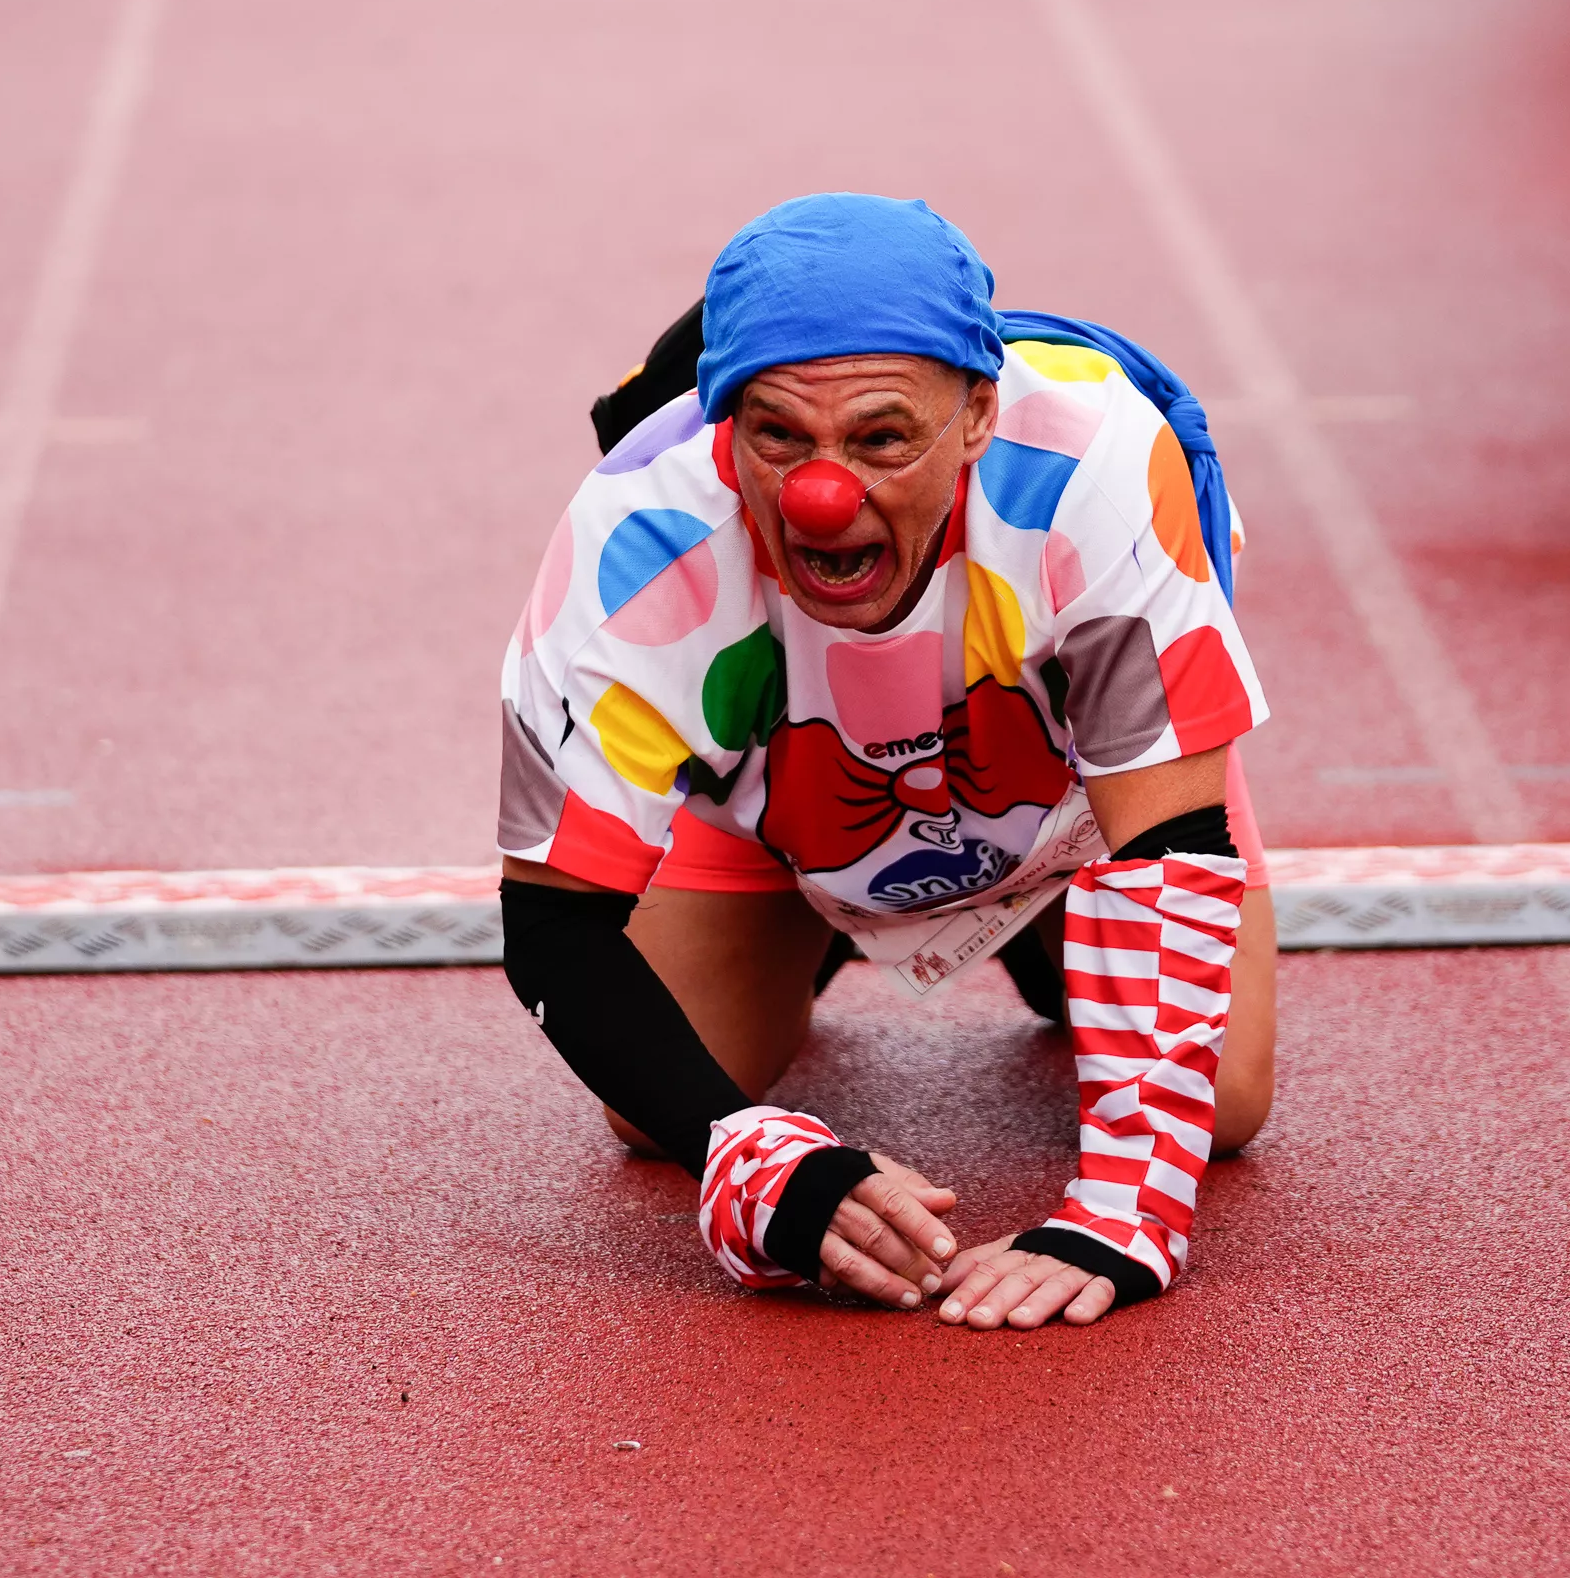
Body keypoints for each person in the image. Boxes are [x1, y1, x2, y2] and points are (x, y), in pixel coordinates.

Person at [497, 193, 1275, 1331]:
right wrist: (748, 1158)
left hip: (1083, 809)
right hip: (788, 814)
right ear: (723, 430)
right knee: (650, 1111)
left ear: (976, 416)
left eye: (880, 437)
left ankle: (1059, 939)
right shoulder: (635, 539)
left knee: (1224, 1111)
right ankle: (812, 927)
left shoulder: (1095, 462)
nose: (824, 492)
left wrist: (1123, 1211)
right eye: (779, 436)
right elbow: (554, 920)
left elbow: (1165, 837)